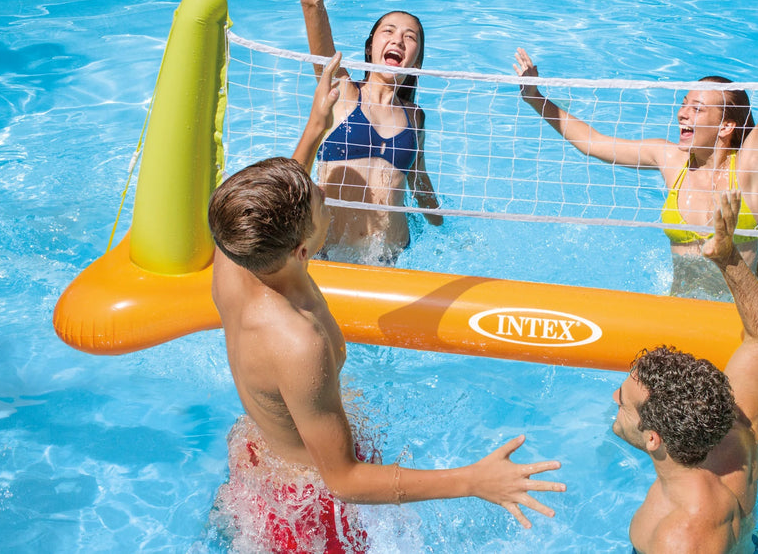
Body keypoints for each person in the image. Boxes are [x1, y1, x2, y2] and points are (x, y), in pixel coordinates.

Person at [210, 55, 564, 551]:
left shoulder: (234, 256)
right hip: (308, 503)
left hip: (264, 446)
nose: (327, 199)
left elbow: (276, 198)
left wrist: (314, 130)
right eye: (320, 202)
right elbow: (344, 480)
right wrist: (471, 481)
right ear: (302, 249)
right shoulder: (297, 342)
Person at [513, 0, 758, 296]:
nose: (682, 113)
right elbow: (593, 144)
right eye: (684, 104)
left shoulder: (752, 165)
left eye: (697, 109)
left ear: (726, 126)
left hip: (740, 318)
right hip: (679, 314)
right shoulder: (671, 160)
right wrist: (535, 97)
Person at [612, 189, 758, 553]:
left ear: (654, 438)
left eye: (623, 402)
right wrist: (728, 258)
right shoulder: (735, 431)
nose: (614, 398)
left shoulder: (682, 537)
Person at [298, 0, 442, 264]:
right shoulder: (341, 90)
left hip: (389, 260)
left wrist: (451, 230)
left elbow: (419, 183)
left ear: (415, 61)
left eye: (410, 37)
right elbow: (311, 2)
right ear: (371, 47)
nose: (398, 39)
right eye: (389, 32)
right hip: (329, 256)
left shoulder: (415, 117)